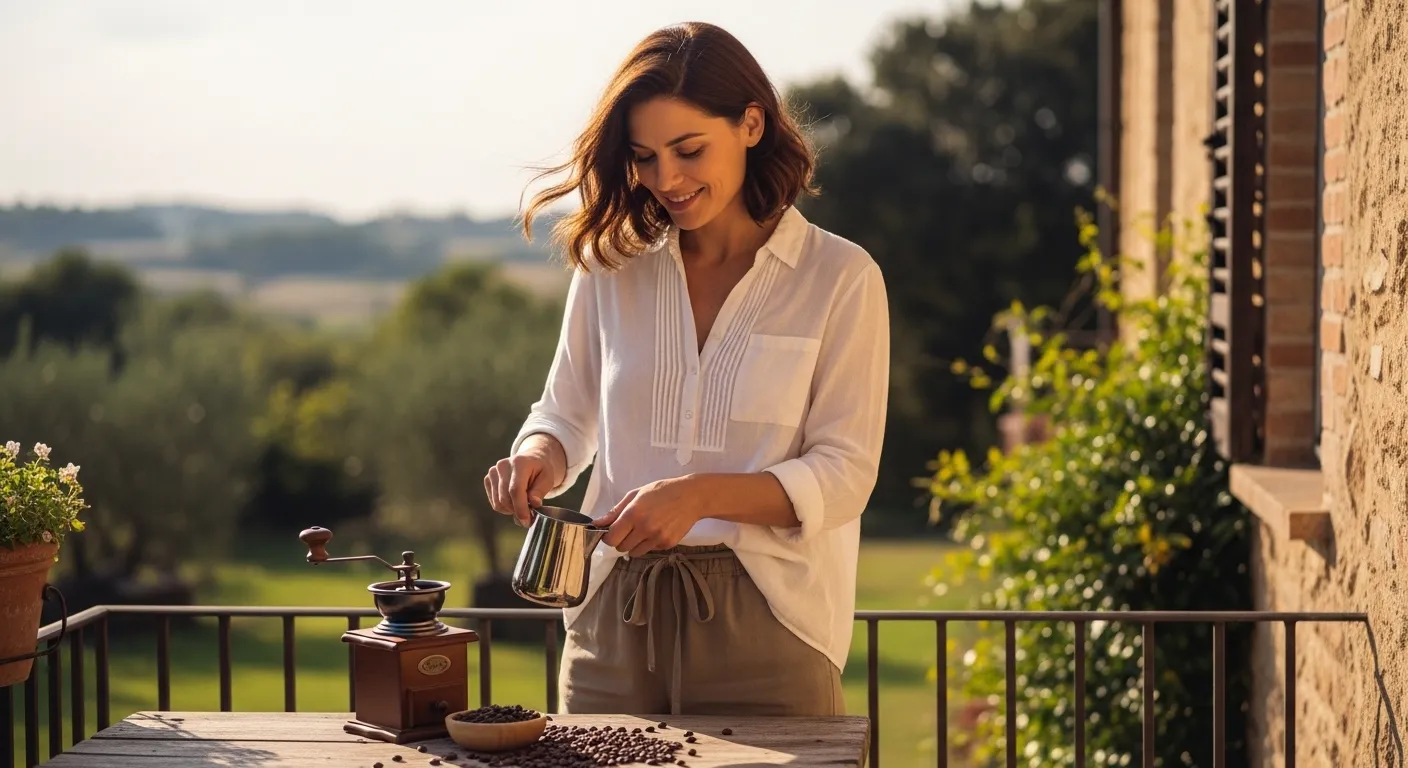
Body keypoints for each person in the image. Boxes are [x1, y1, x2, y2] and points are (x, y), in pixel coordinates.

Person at [483, 21, 890, 718]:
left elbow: (845, 474)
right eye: (643, 156)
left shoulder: (840, 277)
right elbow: (565, 412)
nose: (665, 179)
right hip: (612, 613)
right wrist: (537, 456)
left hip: (771, 623)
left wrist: (700, 496)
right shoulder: (610, 267)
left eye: (689, 149)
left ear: (752, 124)